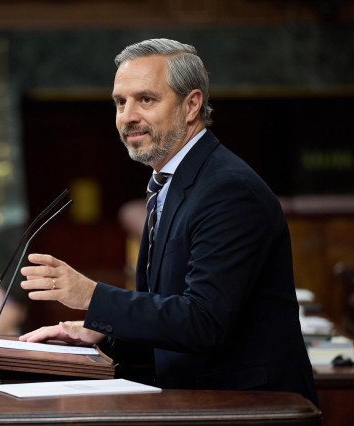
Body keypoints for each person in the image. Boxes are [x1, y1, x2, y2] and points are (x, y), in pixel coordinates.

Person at [19, 38, 318, 404]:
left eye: (146, 99)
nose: (127, 116)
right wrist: (103, 332)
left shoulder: (228, 190)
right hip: (198, 399)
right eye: (120, 102)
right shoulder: (169, 181)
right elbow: (170, 309)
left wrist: (92, 296)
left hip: (251, 406)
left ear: (191, 104)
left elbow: (204, 322)